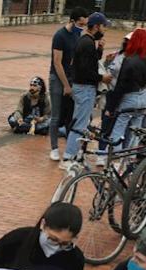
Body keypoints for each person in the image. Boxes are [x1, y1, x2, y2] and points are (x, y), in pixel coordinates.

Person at [0, 202, 85, 270]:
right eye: (53, 239)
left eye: (64, 244)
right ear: (43, 224)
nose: (56, 247)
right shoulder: (17, 239)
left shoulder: (75, 257)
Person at [61, 11, 109, 163]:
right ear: (96, 26)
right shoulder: (87, 43)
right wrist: (103, 78)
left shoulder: (86, 41)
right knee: (80, 124)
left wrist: (100, 50)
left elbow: (89, 62)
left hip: (82, 87)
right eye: (103, 26)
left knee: (80, 121)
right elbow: (86, 71)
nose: (104, 30)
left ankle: (74, 154)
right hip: (84, 88)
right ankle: (69, 157)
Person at [102, 28, 146, 153]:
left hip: (129, 98)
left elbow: (121, 85)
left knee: (117, 132)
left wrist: (111, 107)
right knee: (135, 132)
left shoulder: (129, 60)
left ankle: (116, 161)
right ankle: (129, 160)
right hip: (143, 97)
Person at [47, 7, 83, 161]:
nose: (82, 26)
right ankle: (54, 148)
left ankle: (71, 146)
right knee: (55, 115)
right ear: (73, 21)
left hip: (71, 77)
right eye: (80, 23)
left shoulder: (78, 34)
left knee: (71, 114)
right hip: (57, 78)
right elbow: (57, 62)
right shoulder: (60, 36)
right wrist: (66, 85)